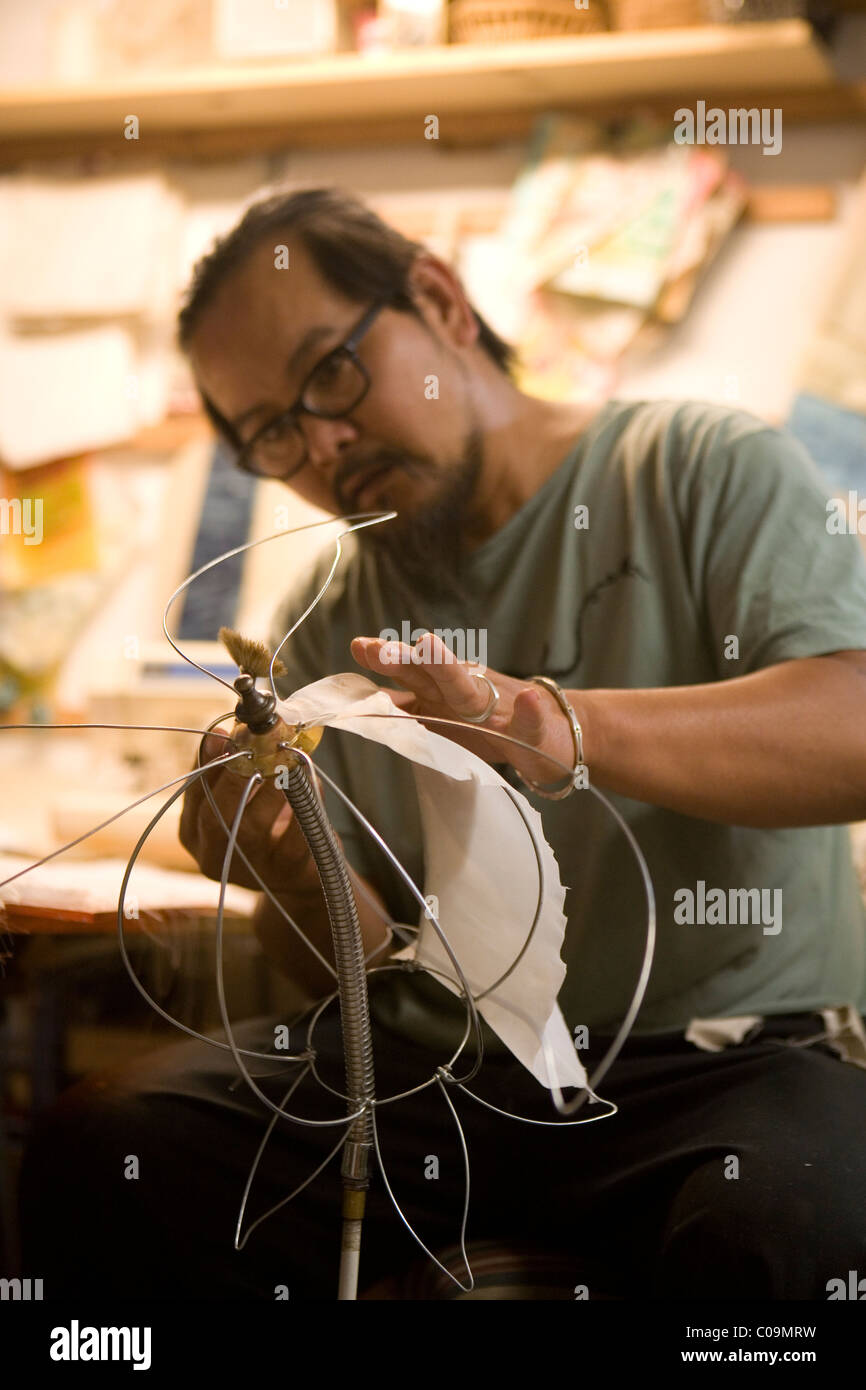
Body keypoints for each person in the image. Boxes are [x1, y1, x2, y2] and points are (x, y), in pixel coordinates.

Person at [19, 186, 866, 1301]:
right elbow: (364, 968)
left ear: (439, 300)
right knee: (111, 1151)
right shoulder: (326, 621)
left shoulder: (692, 466)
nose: (321, 442)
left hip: (725, 1062)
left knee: (787, 1228)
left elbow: (847, 722)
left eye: (330, 372)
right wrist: (292, 871)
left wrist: (546, 723)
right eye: (271, 431)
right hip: (443, 1081)